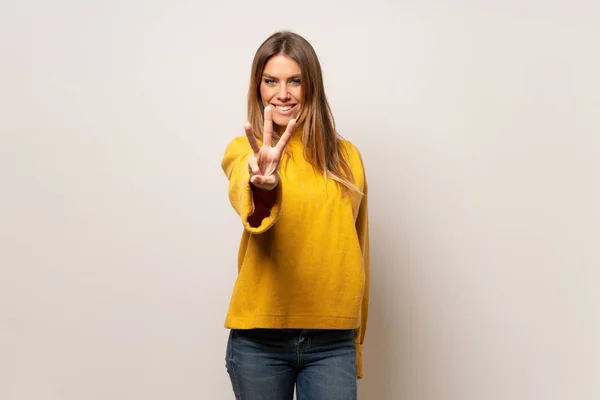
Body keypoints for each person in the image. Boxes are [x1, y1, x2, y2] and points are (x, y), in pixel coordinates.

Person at [220, 30, 370, 400]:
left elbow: (359, 250)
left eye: (295, 81)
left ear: (312, 86)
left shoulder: (347, 157)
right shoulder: (245, 151)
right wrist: (264, 184)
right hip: (260, 339)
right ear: (258, 87)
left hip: (331, 340)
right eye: (271, 81)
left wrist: (357, 343)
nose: (282, 93)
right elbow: (251, 204)